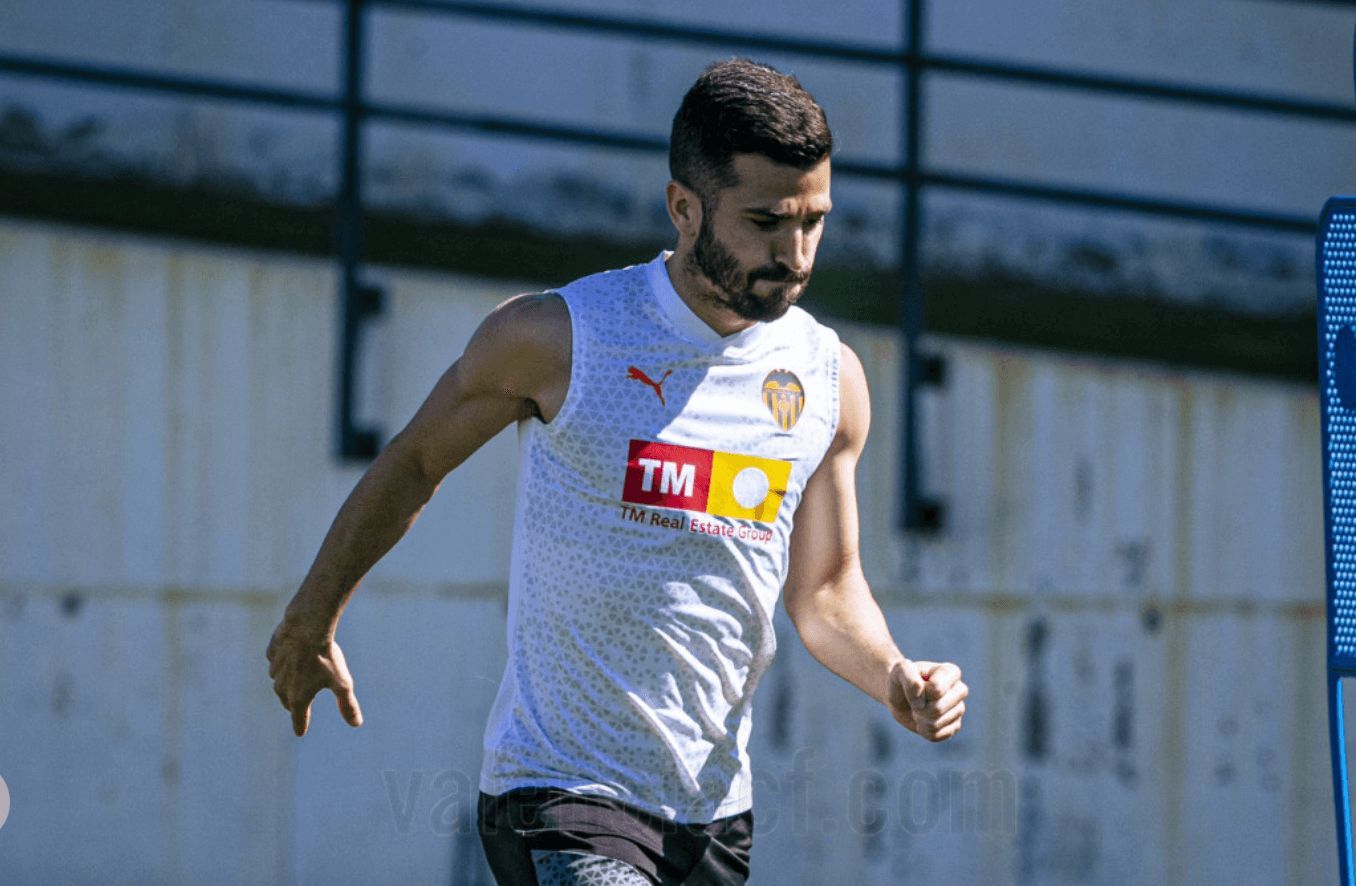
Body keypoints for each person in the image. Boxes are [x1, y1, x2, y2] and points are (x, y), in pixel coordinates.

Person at [266, 58, 967, 885]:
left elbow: (823, 591)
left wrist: (892, 673)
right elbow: (415, 462)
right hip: (560, 791)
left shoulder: (828, 377)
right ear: (683, 207)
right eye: (767, 222)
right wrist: (312, 618)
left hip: (710, 814)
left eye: (815, 221)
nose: (797, 252)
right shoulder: (561, 337)